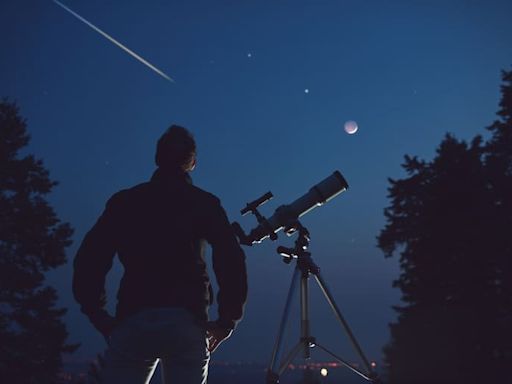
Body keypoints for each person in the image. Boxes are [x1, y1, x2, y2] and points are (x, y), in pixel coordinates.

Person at [72, 125, 248, 384]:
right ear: (193, 163)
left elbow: (91, 258)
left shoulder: (125, 202)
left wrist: (97, 314)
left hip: (133, 318)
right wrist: (226, 320)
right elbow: (230, 259)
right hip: (186, 321)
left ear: (157, 159)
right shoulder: (204, 203)